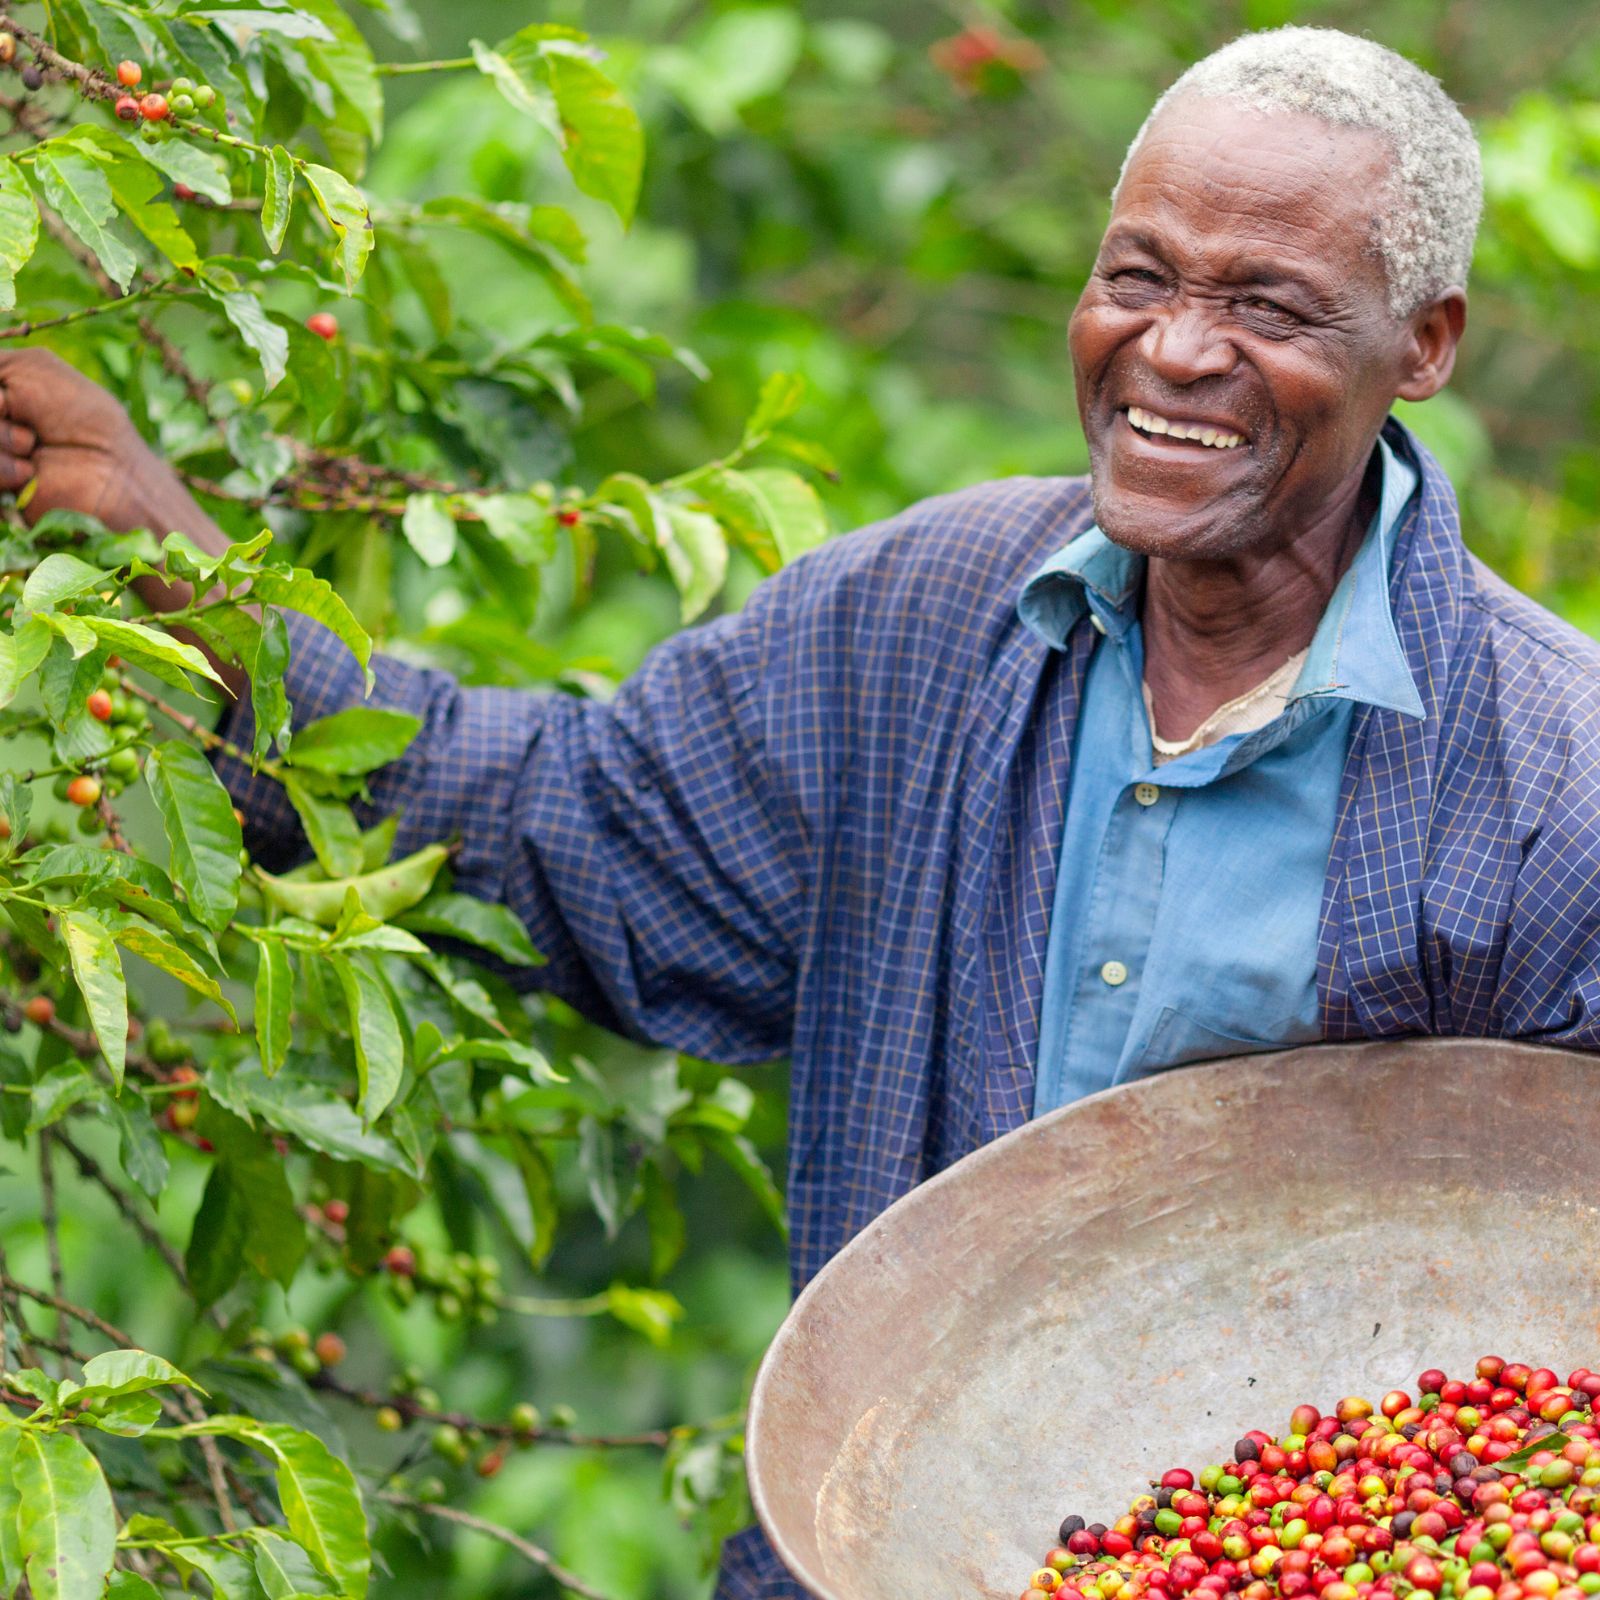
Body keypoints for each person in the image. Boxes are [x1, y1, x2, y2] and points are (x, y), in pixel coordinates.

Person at [2, 24, 1599, 1598]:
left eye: (1269, 305)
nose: (1177, 350)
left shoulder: (1553, 782)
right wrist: (194, 575)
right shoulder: (920, 623)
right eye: (1138, 277)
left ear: (1428, 343)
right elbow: (569, 818)